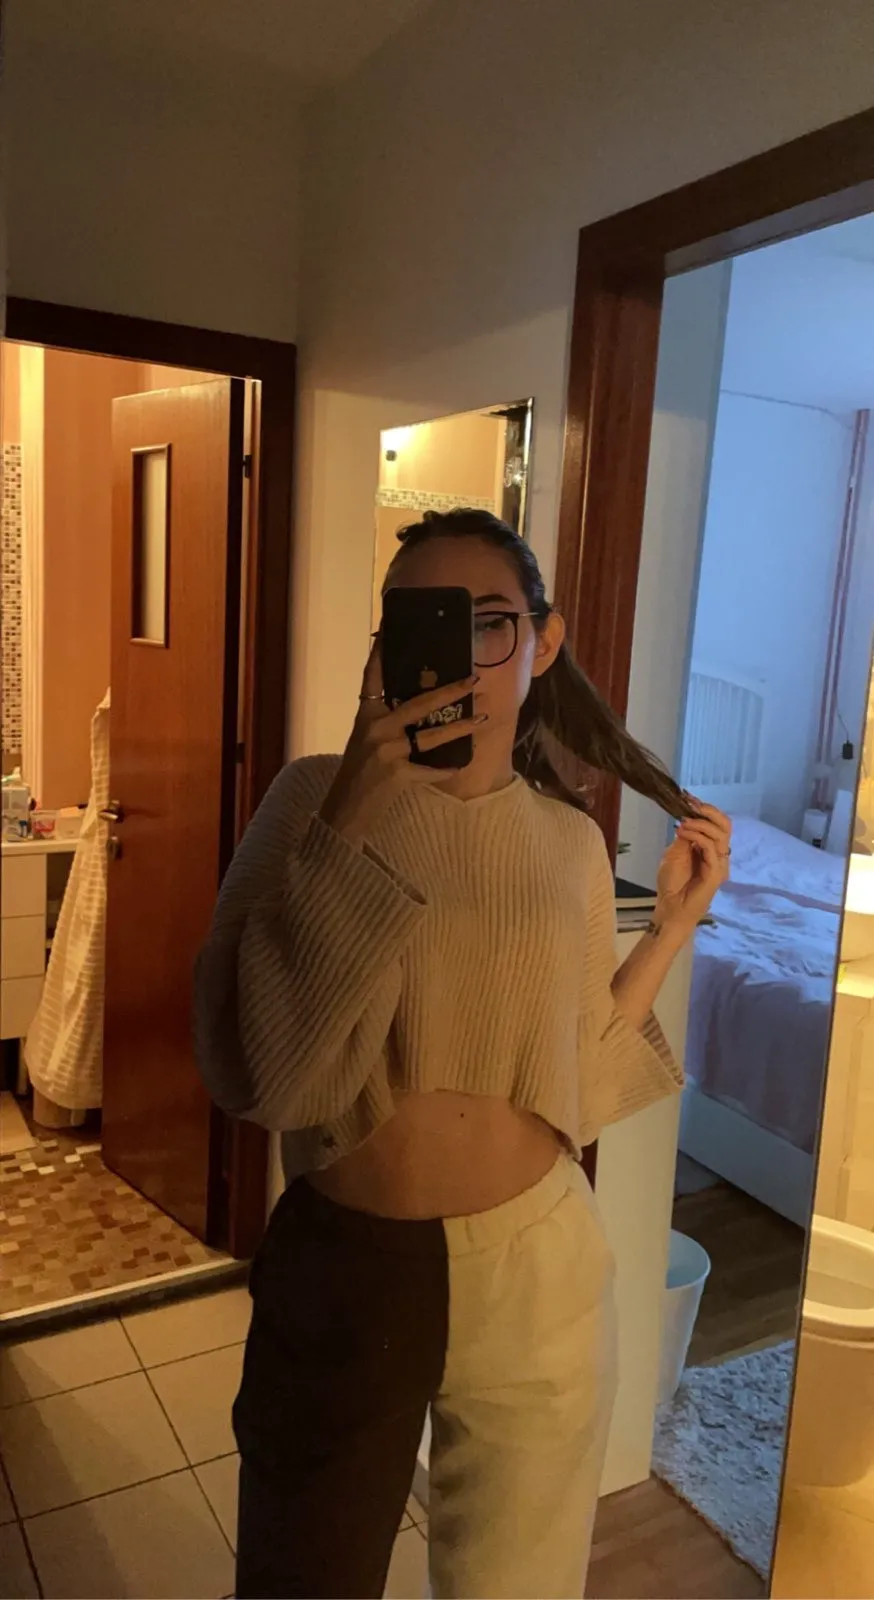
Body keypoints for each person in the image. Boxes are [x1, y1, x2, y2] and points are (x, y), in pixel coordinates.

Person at [194, 508, 731, 1600]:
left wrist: (671, 928)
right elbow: (266, 1076)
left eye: (492, 622)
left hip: (539, 1262)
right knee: (301, 1577)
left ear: (543, 641)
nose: (463, 655)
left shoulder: (569, 842)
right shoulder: (308, 799)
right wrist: (350, 812)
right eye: (423, 621)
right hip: (347, 1263)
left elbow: (578, 1070)